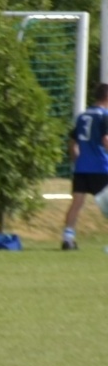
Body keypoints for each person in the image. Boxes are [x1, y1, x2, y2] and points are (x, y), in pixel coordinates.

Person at [62, 82, 108, 250]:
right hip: (101, 167)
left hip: (82, 168)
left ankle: (67, 239)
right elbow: (105, 140)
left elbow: (72, 142)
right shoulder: (104, 116)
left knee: (76, 203)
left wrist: (76, 159)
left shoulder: (82, 116)